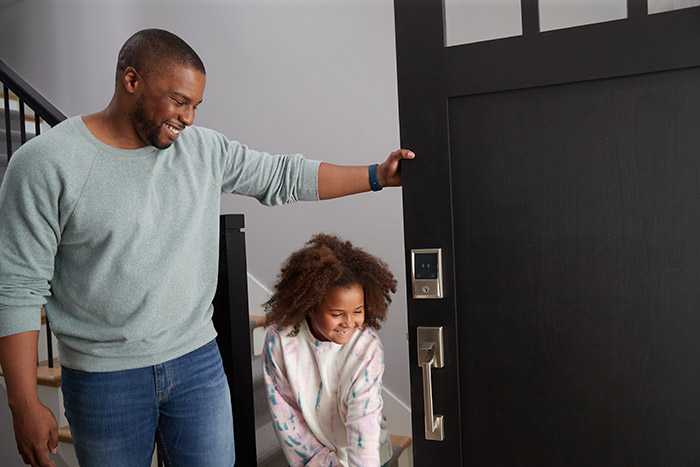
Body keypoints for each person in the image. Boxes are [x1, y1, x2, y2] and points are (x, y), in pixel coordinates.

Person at [0, 28, 413, 467]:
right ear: (131, 80)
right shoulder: (46, 163)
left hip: (196, 364)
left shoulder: (202, 149)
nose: (189, 118)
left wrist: (377, 176)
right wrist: (23, 403)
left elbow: (283, 176)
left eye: (196, 105)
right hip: (104, 378)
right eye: (179, 101)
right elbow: (18, 290)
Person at [262, 233, 397, 467]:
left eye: (358, 311)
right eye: (337, 314)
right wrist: (321, 462)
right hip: (316, 458)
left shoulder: (366, 348)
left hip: (368, 455)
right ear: (311, 308)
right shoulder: (281, 340)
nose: (349, 322)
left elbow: (363, 421)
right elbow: (285, 413)